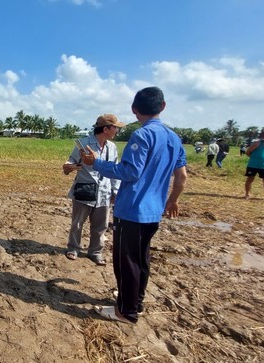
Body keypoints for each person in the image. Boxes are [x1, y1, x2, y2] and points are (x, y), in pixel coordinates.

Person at [81, 86, 187, 324]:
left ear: (134, 110)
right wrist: (173, 200)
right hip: (154, 211)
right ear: (163, 106)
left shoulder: (142, 135)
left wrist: (96, 163)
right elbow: (182, 177)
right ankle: (135, 302)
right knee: (141, 258)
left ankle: (126, 312)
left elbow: (130, 171)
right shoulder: (174, 138)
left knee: (126, 261)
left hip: (132, 210)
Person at [62, 114, 123, 266]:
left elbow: (115, 171)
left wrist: (115, 190)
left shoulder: (112, 147)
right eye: (115, 128)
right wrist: (68, 166)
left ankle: (95, 251)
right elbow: (71, 161)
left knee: (101, 225)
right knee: (77, 223)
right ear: (106, 129)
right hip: (85, 188)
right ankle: (73, 248)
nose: (117, 131)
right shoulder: (83, 144)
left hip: (104, 191)